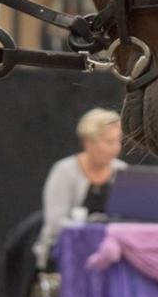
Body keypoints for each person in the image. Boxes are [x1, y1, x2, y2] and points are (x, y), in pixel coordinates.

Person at [33, 108, 125, 268]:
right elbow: (55, 223)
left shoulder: (122, 171)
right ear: (88, 142)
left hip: (111, 253)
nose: (115, 148)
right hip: (68, 252)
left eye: (118, 141)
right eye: (109, 142)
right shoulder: (64, 171)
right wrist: (91, 230)